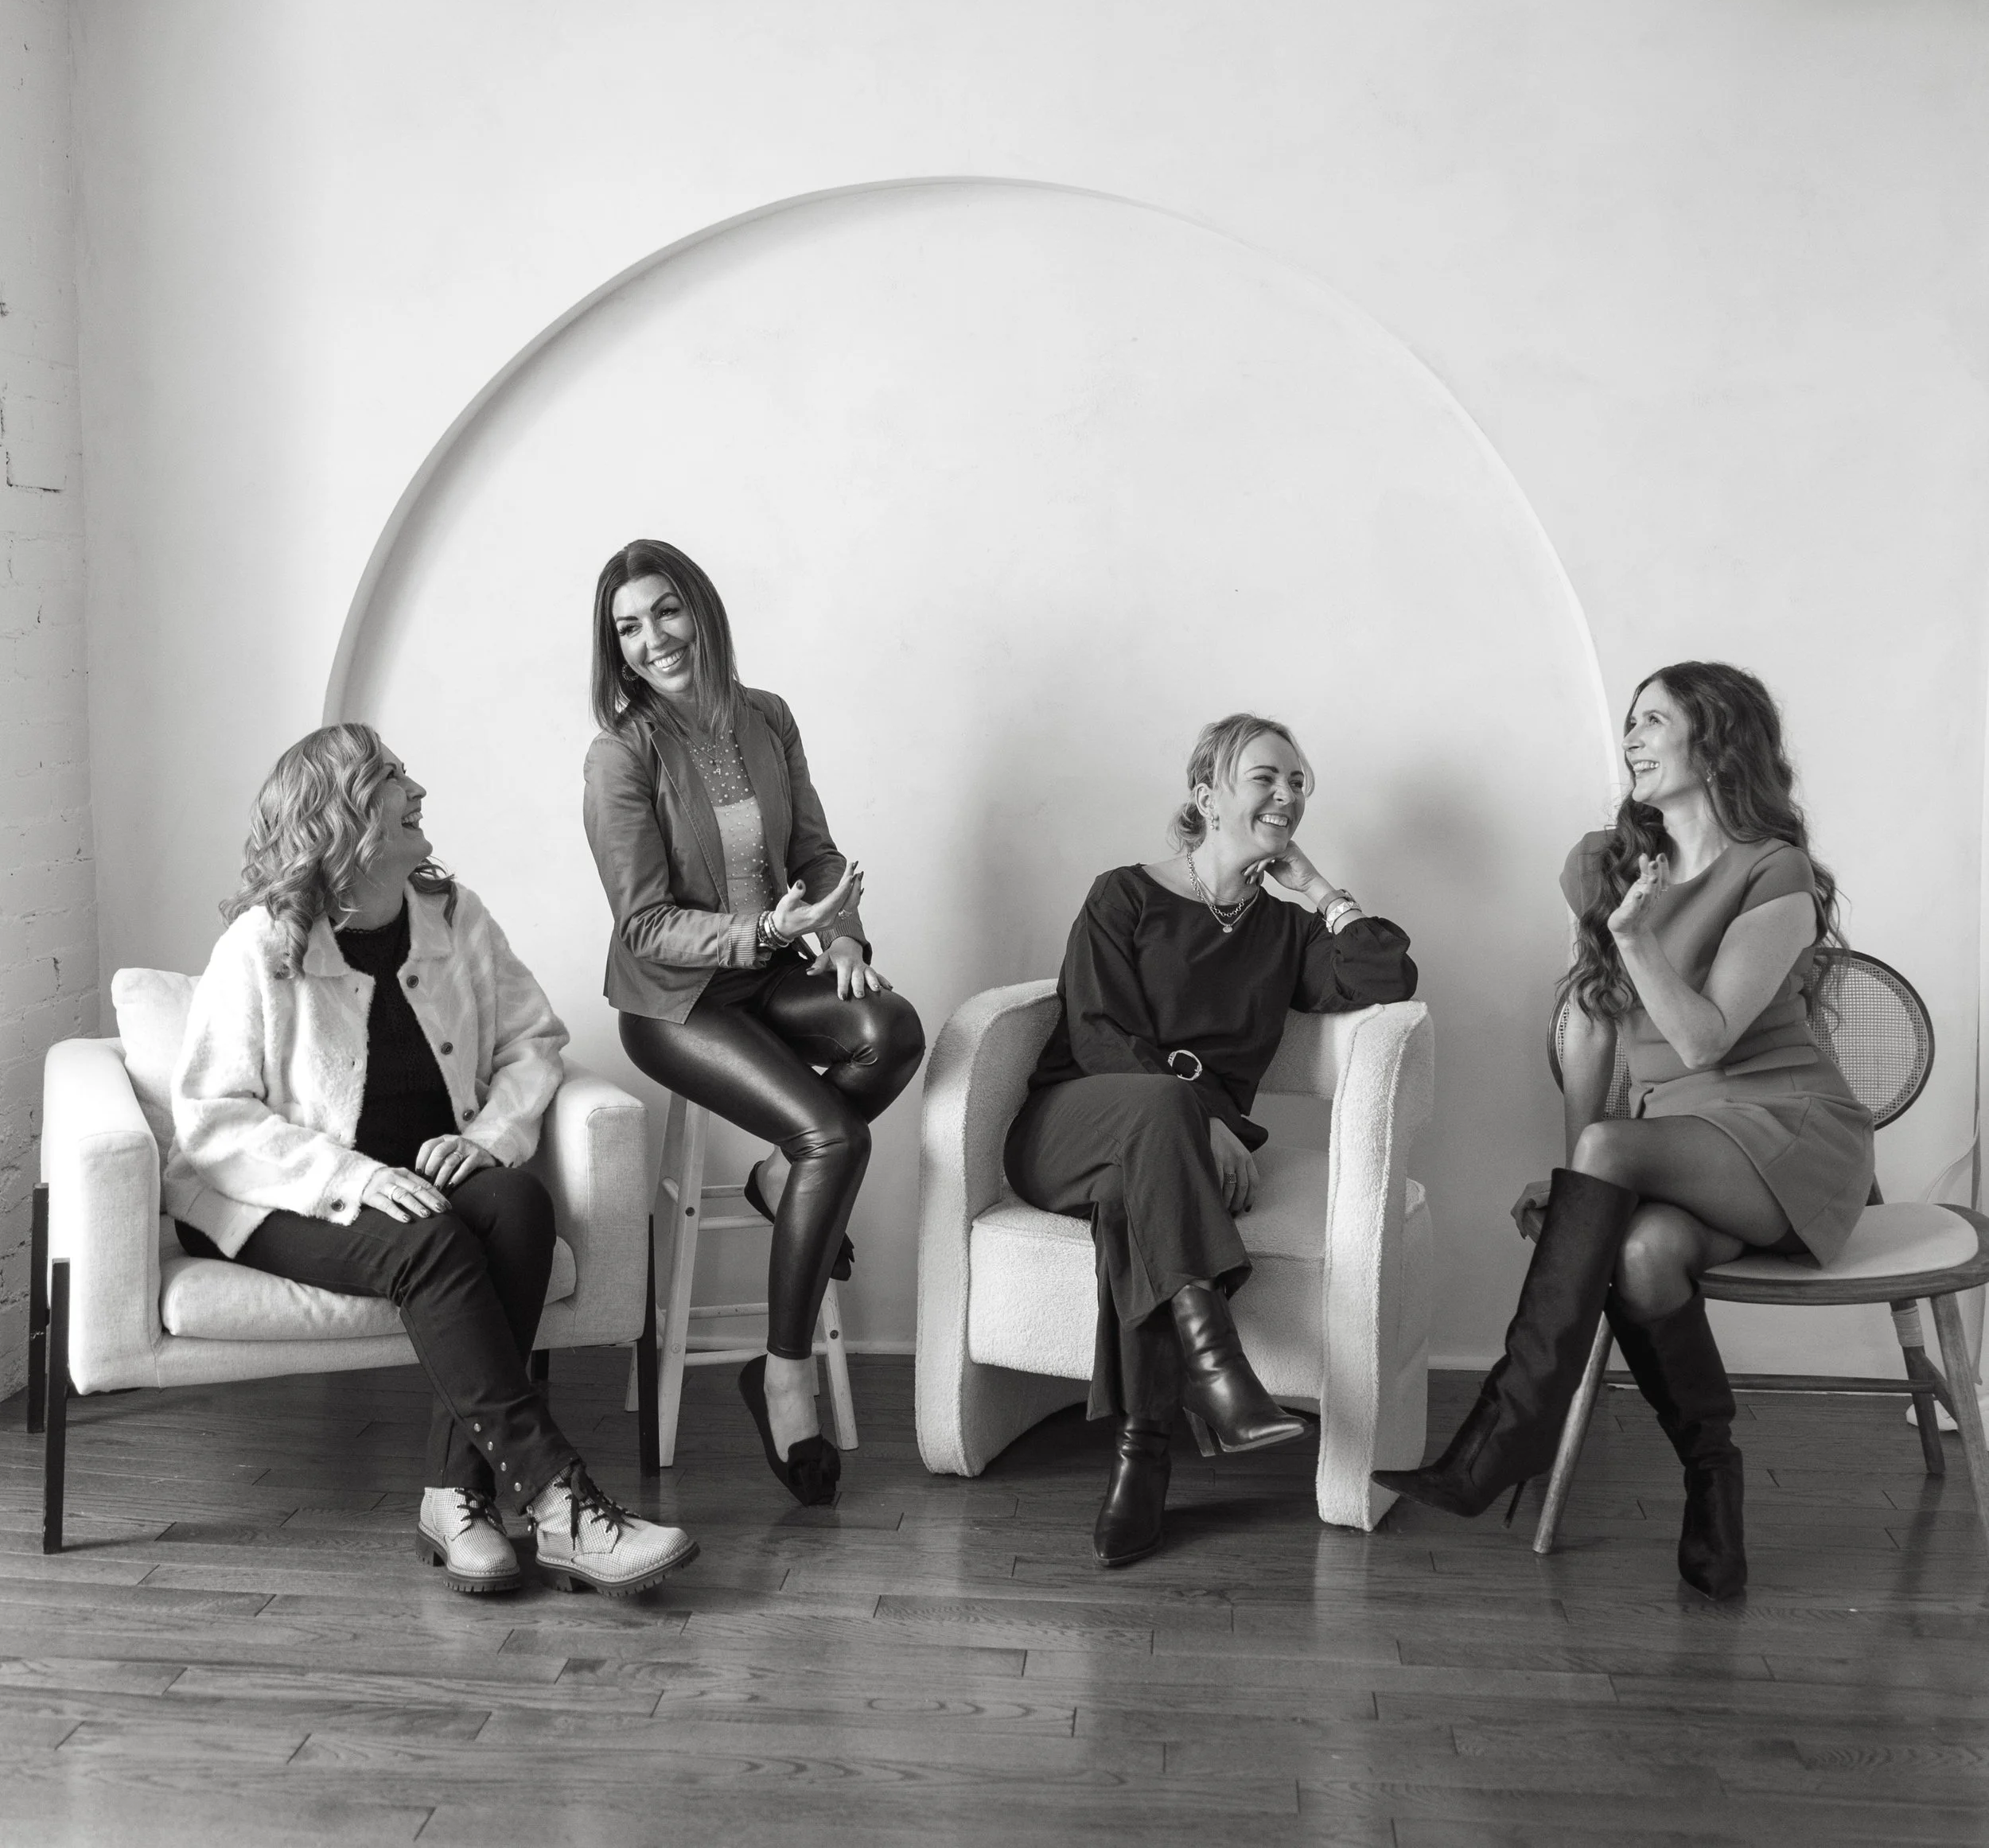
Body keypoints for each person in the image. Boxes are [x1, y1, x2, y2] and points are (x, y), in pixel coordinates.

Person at [1376, 662, 1872, 1601]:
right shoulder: (1603, 862)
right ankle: (1711, 1483)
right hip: (1677, 1141)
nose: (1631, 739)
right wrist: (1584, 1198)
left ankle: (1504, 1436)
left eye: (1652, 721)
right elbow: (1596, 1020)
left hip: (1788, 1133)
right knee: (1640, 1257)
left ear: (1715, 737)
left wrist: (1638, 940)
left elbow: (1704, 1036)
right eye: (1628, 723)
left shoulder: (1774, 870)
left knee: (1609, 1161)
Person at [168, 724, 698, 1598]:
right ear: (342, 815)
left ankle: (454, 1498)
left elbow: (534, 1041)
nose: (418, 792)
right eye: (391, 777)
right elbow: (212, 1122)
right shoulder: (263, 944)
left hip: (424, 1179)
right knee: (433, 1242)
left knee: (518, 1206)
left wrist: (489, 1138)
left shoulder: (456, 917)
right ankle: (563, 1506)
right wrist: (355, 1178)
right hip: (278, 1200)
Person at [1005, 714, 1419, 1568]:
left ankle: (1144, 1457)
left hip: (1171, 1158)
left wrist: (1323, 895)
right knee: (1154, 1116)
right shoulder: (1123, 894)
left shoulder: (1287, 930)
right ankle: (1216, 1367)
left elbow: (1387, 978)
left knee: (1134, 1199)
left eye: (1299, 782)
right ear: (1207, 796)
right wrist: (1206, 1120)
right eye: (1265, 777)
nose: (1287, 795)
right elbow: (1096, 1035)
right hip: (1070, 1126)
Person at [582, 539, 925, 1508]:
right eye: (628, 628)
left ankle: (783, 1176)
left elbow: (814, 852)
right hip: (675, 999)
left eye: (666, 613)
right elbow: (644, 923)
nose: (652, 641)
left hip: (770, 970)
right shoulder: (620, 755)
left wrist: (843, 935)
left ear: (703, 610)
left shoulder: (766, 718)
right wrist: (766, 927)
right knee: (837, 1135)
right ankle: (782, 1375)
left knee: (891, 1029)